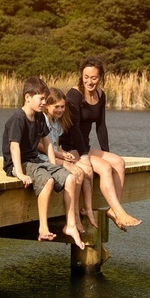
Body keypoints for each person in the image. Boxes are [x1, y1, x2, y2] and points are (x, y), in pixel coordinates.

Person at [2, 76, 85, 249]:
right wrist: (19, 173)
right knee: (47, 180)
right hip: (20, 163)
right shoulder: (19, 118)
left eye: (44, 99)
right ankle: (43, 227)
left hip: (35, 160)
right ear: (28, 97)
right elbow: (14, 148)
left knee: (70, 178)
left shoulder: (39, 117)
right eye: (40, 99)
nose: (43, 103)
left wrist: (54, 165)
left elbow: (47, 143)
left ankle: (70, 225)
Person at [65, 57, 141, 231]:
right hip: (70, 147)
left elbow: (101, 126)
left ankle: (114, 211)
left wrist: (107, 152)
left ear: (100, 77)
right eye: (86, 77)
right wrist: (83, 155)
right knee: (105, 167)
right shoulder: (73, 95)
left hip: (85, 146)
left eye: (94, 78)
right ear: (81, 75)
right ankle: (120, 211)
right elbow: (74, 129)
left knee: (118, 162)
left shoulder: (100, 95)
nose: (89, 81)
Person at [42, 86, 96, 231]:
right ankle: (74, 219)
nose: (60, 110)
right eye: (57, 107)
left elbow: (56, 145)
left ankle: (86, 209)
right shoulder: (43, 120)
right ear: (47, 105)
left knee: (85, 169)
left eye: (63, 107)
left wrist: (63, 152)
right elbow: (39, 146)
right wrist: (59, 155)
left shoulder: (57, 122)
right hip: (44, 157)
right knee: (77, 172)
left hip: (55, 155)